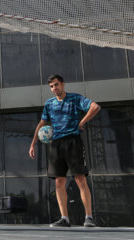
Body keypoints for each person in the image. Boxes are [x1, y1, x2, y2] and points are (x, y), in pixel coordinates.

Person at [29, 74, 101, 227]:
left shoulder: (75, 99)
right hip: (56, 144)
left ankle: (88, 217)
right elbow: (42, 123)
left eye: (56, 85)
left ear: (62, 84)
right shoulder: (49, 104)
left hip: (73, 142)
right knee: (59, 181)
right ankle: (64, 219)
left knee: (80, 179)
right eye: (51, 86)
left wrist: (82, 122)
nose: (54, 88)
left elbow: (95, 107)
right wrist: (33, 143)